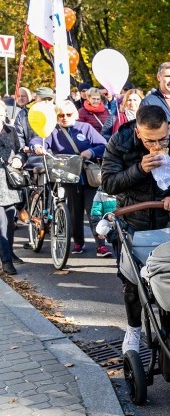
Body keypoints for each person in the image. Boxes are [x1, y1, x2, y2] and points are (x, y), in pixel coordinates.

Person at [101, 105, 170, 354]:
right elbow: (109, 183)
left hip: (168, 224)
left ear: (168, 128)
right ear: (138, 131)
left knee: (169, 281)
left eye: (161, 139)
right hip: (134, 223)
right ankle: (133, 329)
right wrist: (139, 169)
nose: (156, 145)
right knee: (134, 285)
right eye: (149, 140)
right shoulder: (120, 141)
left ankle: (169, 334)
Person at [33, 101, 110, 256]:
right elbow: (39, 140)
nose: (65, 118)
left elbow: (103, 144)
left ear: (75, 114)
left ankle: (101, 244)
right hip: (66, 176)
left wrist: (91, 152)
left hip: (88, 176)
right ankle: (78, 242)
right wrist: (37, 147)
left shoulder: (85, 128)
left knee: (93, 210)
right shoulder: (53, 131)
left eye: (68, 114)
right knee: (74, 213)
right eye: (60, 115)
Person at [1, 110, 23, 275]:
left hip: (9, 183)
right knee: (1, 224)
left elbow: (21, 149)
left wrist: (19, 158)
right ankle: (6, 261)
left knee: (9, 222)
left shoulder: (11, 131)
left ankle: (8, 251)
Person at [15, 87, 54, 152]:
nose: (46, 101)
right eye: (43, 99)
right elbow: (18, 136)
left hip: (54, 155)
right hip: (31, 155)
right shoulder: (23, 114)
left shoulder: (59, 113)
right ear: (36, 98)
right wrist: (24, 150)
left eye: (49, 99)